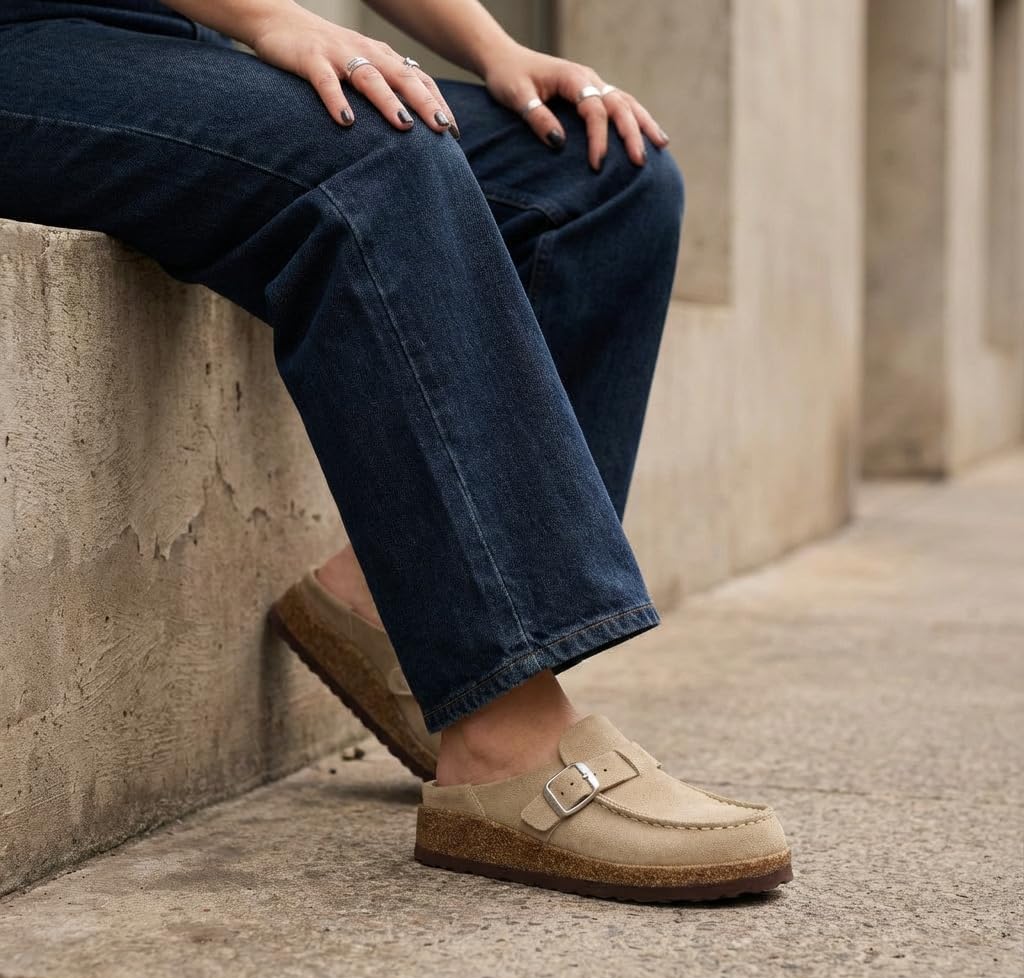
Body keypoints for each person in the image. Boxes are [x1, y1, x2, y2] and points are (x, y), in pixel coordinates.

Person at [0, 0, 792, 902]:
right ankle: (505, 745)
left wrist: (495, 49)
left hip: (163, 39)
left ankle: (389, 609)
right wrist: (266, 17)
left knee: (606, 172)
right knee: (372, 148)